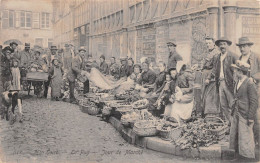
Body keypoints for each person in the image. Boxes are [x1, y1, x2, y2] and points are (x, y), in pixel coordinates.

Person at [229, 60, 258, 160]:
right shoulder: (237, 82)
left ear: (241, 72)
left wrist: (250, 117)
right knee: (236, 134)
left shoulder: (249, 83)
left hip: (245, 113)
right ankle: (238, 155)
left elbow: (254, 101)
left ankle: (247, 157)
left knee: (245, 136)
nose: (234, 72)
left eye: (236, 71)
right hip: (236, 111)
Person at [206, 37, 238, 123]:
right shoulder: (217, 57)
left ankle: (236, 124)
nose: (222, 46)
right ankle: (230, 123)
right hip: (220, 83)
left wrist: (236, 82)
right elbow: (214, 69)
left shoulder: (233, 56)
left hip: (230, 84)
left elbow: (238, 70)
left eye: (224, 44)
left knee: (232, 104)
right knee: (223, 105)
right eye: (220, 44)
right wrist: (208, 78)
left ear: (228, 45)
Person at [236, 36, 260, 148]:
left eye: (244, 46)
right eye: (240, 46)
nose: (242, 49)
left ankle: (258, 142)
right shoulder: (240, 58)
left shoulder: (256, 57)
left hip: (255, 89)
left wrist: (254, 78)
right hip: (243, 92)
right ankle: (249, 143)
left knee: (255, 115)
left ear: (249, 46)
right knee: (245, 117)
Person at [201, 36, 220, 117]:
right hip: (205, 74)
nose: (208, 45)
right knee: (204, 94)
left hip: (211, 76)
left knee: (211, 95)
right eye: (206, 43)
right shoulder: (208, 52)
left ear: (214, 43)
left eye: (209, 43)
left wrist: (209, 77)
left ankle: (211, 114)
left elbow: (215, 67)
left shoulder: (216, 53)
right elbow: (204, 64)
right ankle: (204, 112)